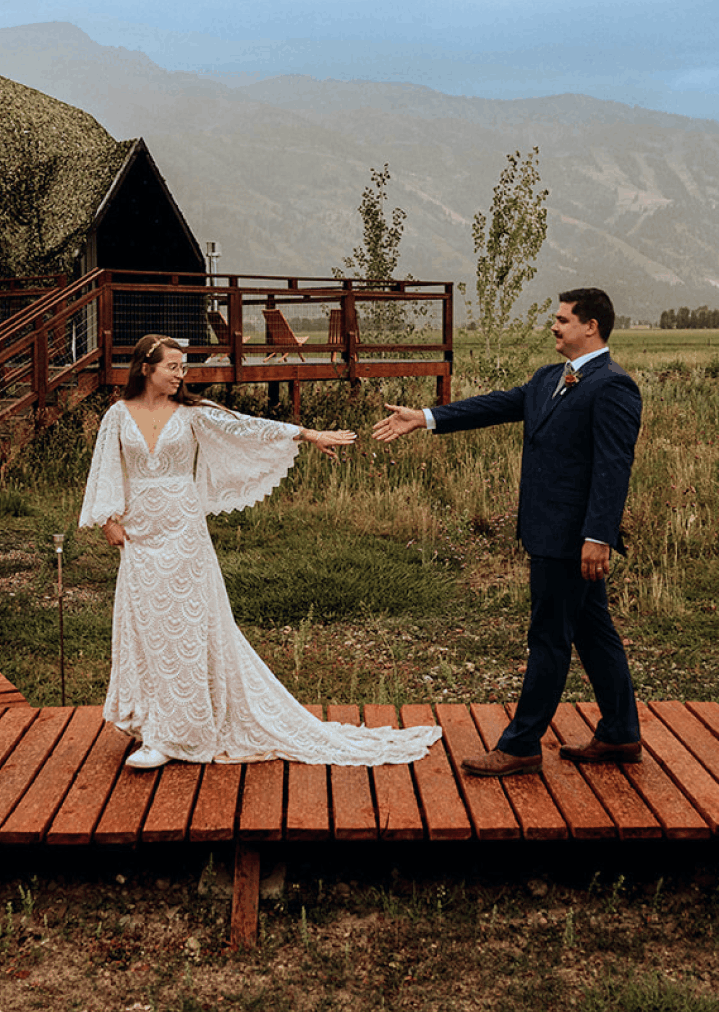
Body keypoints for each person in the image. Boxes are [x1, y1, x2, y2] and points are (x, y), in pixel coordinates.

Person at [80, 334, 443, 769]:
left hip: (183, 531)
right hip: (141, 532)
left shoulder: (193, 413)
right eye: (173, 367)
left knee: (190, 625)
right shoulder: (117, 416)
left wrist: (306, 434)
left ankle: (179, 732)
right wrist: (108, 519)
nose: (181, 375)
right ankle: (151, 721)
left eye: (184, 367)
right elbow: (104, 467)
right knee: (148, 624)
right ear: (145, 368)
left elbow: (247, 426)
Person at [372, 288, 642, 776]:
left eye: (562, 320)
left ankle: (521, 746)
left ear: (592, 327)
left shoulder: (613, 387)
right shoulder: (549, 379)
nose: (554, 327)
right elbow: (494, 406)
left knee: (549, 637)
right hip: (548, 531)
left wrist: (597, 536)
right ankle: (621, 734)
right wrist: (426, 418)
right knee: (593, 632)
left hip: (572, 539)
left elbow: (612, 468)